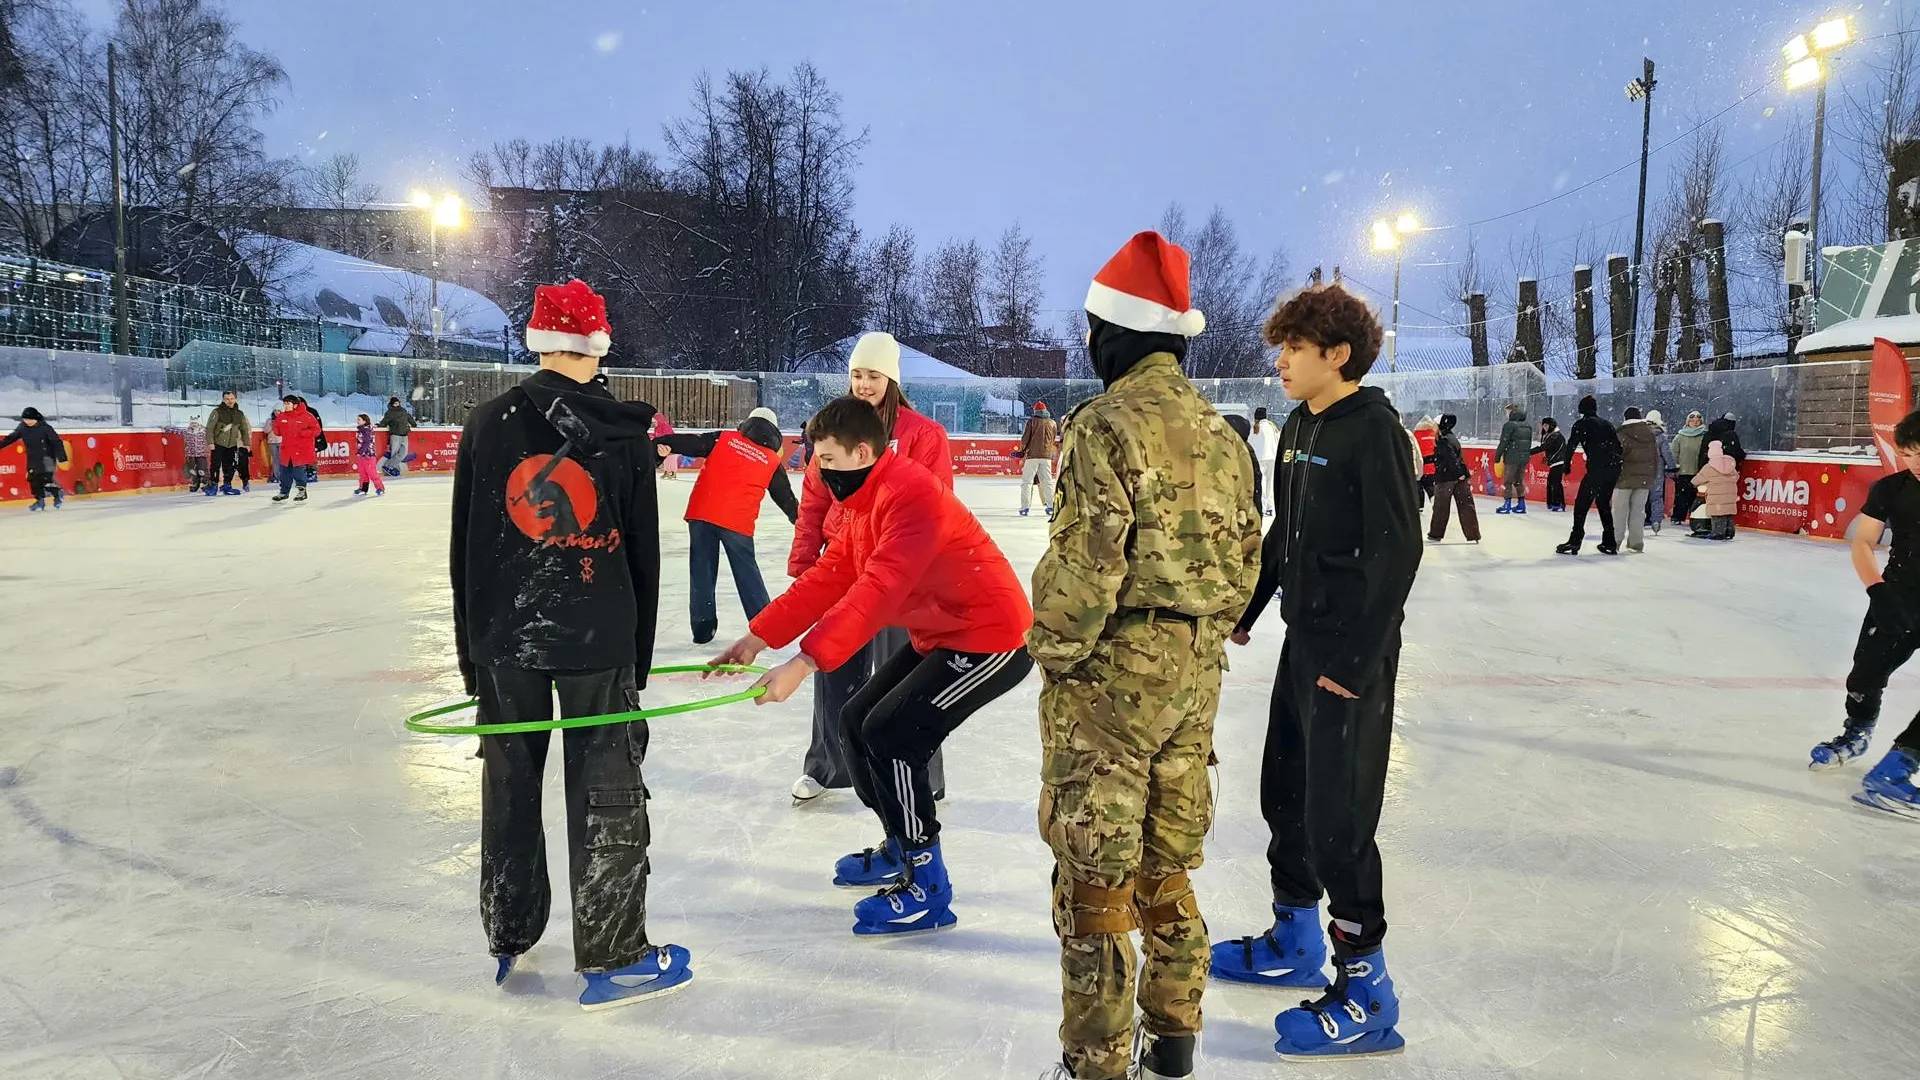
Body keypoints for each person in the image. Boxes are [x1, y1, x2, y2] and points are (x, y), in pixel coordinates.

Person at [1029, 231, 1259, 1080]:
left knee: (1096, 875)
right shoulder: (1221, 432)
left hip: (1113, 682)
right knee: (1165, 856)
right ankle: (1174, 1031)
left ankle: (1094, 1061)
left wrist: (1051, 648)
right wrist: (1196, 632)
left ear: (1111, 333)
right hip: (1195, 675)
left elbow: (1086, 567)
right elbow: (1246, 559)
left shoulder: (1103, 426)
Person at [711, 396, 1034, 937]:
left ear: (863, 452)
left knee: (892, 735)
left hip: (991, 639)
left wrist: (804, 662)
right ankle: (898, 845)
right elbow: (832, 574)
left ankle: (928, 886)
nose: (819, 472)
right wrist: (757, 637)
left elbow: (877, 591)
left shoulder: (911, 496)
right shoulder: (859, 499)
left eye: (829, 461)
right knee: (857, 720)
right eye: (815, 461)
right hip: (943, 631)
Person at [451, 278, 685, 1009]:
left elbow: (465, 544)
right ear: (597, 343)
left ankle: (509, 930)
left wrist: (472, 651)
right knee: (605, 795)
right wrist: (635, 654)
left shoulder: (488, 422)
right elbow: (642, 551)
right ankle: (613, 954)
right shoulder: (623, 432)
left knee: (509, 787)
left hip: (504, 636)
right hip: (597, 633)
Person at [1208, 283, 1422, 1061]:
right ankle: (1295, 937)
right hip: (1304, 644)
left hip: (1349, 656)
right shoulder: (1299, 425)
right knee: (1285, 793)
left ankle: (1368, 991)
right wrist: (1249, 605)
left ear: (1339, 354)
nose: (1281, 360)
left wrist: (1355, 665)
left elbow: (1398, 554)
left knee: (1340, 821)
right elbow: (1283, 536)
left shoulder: (1376, 432)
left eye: (1296, 348)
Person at [788, 331, 952, 805]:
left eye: (873, 376)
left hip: (903, 574)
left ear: (892, 379)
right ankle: (828, 765)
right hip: (844, 568)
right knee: (833, 666)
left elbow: (936, 507)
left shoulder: (923, 434)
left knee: (907, 678)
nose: (863, 384)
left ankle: (919, 770)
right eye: (857, 374)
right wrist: (804, 560)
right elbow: (814, 500)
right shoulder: (832, 427)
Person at [1809, 410, 1920, 817]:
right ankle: (1856, 734)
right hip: (1898, 595)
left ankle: (1899, 767)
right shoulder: (1890, 488)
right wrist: (1879, 590)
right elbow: (1863, 542)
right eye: (1909, 454)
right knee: (1865, 675)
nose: (1916, 462)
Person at [653, 407, 798, 644]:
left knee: (702, 570)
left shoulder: (724, 438)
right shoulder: (772, 461)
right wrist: (802, 523)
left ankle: (703, 628)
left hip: (702, 513)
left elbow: (690, 442)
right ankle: (765, 625)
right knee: (746, 572)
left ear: (748, 423)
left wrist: (660, 445)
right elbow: (786, 498)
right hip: (737, 521)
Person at [1555, 395, 1623, 556]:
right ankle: (1609, 541)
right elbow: (1618, 447)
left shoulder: (1581, 424)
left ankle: (1575, 539)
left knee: (1581, 504)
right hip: (1613, 468)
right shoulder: (1607, 424)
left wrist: (1566, 466)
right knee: (1603, 503)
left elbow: (1571, 446)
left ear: (1581, 409)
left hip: (1597, 469)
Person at [1611, 406, 1660, 553]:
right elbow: (1655, 457)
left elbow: (1616, 456)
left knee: (1619, 511)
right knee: (1638, 511)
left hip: (1624, 479)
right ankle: (1636, 542)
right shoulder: (1650, 433)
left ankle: (1615, 541)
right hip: (1644, 479)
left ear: (1625, 417)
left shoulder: (1621, 433)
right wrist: (1652, 476)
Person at [1426, 413, 1479, 543]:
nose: (1432, 427)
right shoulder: (1452, 438)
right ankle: (1473, 534)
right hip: (1460, 476)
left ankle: (1436, 534)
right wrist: (1426, 460)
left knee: (1441, 507)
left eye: (1434, 424)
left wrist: (1457, 473)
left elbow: (1450, 458)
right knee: (1466, 505)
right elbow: (1445, 457)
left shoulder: (1443, 439)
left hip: (1447, 478)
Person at [1, 407, 67, 511]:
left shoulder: (45, 428)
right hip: (33, 458)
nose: (28, 422)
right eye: (25, 420)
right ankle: (40, 501)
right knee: (33, 480)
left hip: (48, 459)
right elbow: (11, 438)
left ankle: (57, 493)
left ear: (36, 418)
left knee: (46, 481)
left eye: (30, 420)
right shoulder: (23, 428)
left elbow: (56, 442)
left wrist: (61, 456)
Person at [269, 397, 321, 503]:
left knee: (298, 472)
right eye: (285, 404)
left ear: (295, 405)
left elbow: (317, 430)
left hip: (300, 450)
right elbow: (277, 431)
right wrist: (275, 427)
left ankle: (302, 491)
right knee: (284, 472)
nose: (285, 406)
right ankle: (284, 492)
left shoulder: (307, 416)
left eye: (288, 404)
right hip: (286, 449)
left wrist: (304, 433)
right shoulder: (282, 416)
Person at [1015, 401, 1059, 517]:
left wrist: (1022, 451)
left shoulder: (1031, 422)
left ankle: (1025, 508)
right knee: (1047, 482)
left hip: (1032, 456)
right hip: (1046, 456)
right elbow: (1053, 439)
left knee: (1027, 482)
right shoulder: (1052, 423)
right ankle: (1050, 506)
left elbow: (1025, 439)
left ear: (1035, 411)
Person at [1689, 439, 1739, 541]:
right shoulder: (1730, 464)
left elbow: (1698, 479)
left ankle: (1718, 533)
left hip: (1716, 495)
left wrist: (1692, 483)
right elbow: (1736, 477)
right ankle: (1729, 532)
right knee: (1728, 514)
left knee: (1717, 514)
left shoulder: (1709, 467)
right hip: (1730, 495)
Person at [205, 390, 251, 496]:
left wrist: (247, 443)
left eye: (231, 399)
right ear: (223, 400)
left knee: (229, 466)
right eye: (227, 399)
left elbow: (244, 429)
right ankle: (214, 485)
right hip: (218, 443)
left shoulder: (239, 414)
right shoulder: (217, 412)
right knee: (215, 466)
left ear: (235, 399)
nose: (230, 401)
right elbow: (210, 428)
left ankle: (227, 485)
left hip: (232, 444)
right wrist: (210, 442)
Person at [1669, 410, 1709, 524]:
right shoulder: (1680, 437)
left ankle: (1696, 517)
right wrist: (1674, 467)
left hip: (1699, 472)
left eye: (1698, 421)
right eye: (1692, 421)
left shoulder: (1705, 436)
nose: (1695, 423)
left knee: (1697, 497)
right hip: (1683, 471)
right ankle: (1677, 517)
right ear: (1688, 422)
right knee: (1681, 497)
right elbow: (1674, 453)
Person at [1493, 403, 1532, 514]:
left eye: (1507, 411)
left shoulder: (1509, 425)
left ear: (1512, 412)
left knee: (1508, 481)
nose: (1506, 413)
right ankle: (1521, 504)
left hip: (1511, 457)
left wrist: (1497, 456)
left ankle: (1507, 504)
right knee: (1519, 481)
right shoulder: (1527, 425)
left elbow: (1503, 442)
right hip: (1523, 458)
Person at [1644, 410, 1677, 533]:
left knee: (1641, 495)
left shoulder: (1640, 434)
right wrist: (1672, 467)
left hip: (1641, 468)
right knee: (1656, 496)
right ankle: (1656, 520)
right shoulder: (1661, 436)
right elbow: (1667, 454)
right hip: (1657, 469)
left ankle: (1640, 518)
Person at [1251, 405, 1282, 516]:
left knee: (1261, 483)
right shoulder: (1272, 427)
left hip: (1260, 458)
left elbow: (1250, 442)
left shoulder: (1255, 428)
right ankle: (1270, 507)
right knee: (1270, 483)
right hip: (1272, 457)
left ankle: (1262, 507)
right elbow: (1278, 439)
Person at [1532, 417, 1567, 511]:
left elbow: (1544, 447)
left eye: (1546, 425)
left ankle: (1558, 504)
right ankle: (1553, 503)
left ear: (1551, 426)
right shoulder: (1551, 435)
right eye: (1543, 426)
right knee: (1552, 483)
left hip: (1559, 462)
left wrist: (1529, 452)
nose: (1545, 428)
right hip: (1555, 462)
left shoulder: (1555, 436)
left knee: (1555, 483)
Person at [379, 397, 415, 477]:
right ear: (392, 404)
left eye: (398, 403)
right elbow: (385, 421)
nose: (397, 404)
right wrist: (379, 425)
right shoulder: (390, 412)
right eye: (395, 403)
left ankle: (388, 466)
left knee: (403, 453)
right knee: (394, 453)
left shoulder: (403, 411)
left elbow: (409, 418)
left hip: (404, 434)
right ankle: (392, 468)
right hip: (395, 435)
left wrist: (414, 424)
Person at [352, 413, 386, 497]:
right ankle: (363, 488)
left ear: (364, 421)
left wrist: (361, 451)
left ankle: (380, 487)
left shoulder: (367, 430)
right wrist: (360, 452)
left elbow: (366, 442)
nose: (357, 421)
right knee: (362, 473)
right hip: (361, 455)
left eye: (359, 419)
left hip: (368, 455)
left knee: (372, 473)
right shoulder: (360, 429)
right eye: (357, 419)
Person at [1412, 416, 1438, 510]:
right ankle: (1433, 497)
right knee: (1430, 484)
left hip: (1421, 465)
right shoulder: (1435, 434)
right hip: (1433, 466)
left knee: (1419, 485)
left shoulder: (1416, 435)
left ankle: (1420, 505)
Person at [183, 416, 209, 494]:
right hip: (191, 454)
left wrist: (206, 449)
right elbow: (185, 442)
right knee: (193, 470)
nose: (194, 425)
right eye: (192, 423)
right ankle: (195, 483)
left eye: (195, 423)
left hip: (201, 454)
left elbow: (208, 440)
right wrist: (186, 451)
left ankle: (206, 483)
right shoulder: (187, 431)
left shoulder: (203, 430)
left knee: (202, 470)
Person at [651, 410, 679, 479]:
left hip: (671, 446)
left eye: (655, 422)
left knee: (671, 459)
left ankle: (673, 473)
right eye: (653, 422)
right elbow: (655, 436)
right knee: (665, 460)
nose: (654, 424)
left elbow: (668, 436)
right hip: (664, 447)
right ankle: (666, 472)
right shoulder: (656, 428)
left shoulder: (665, 427)